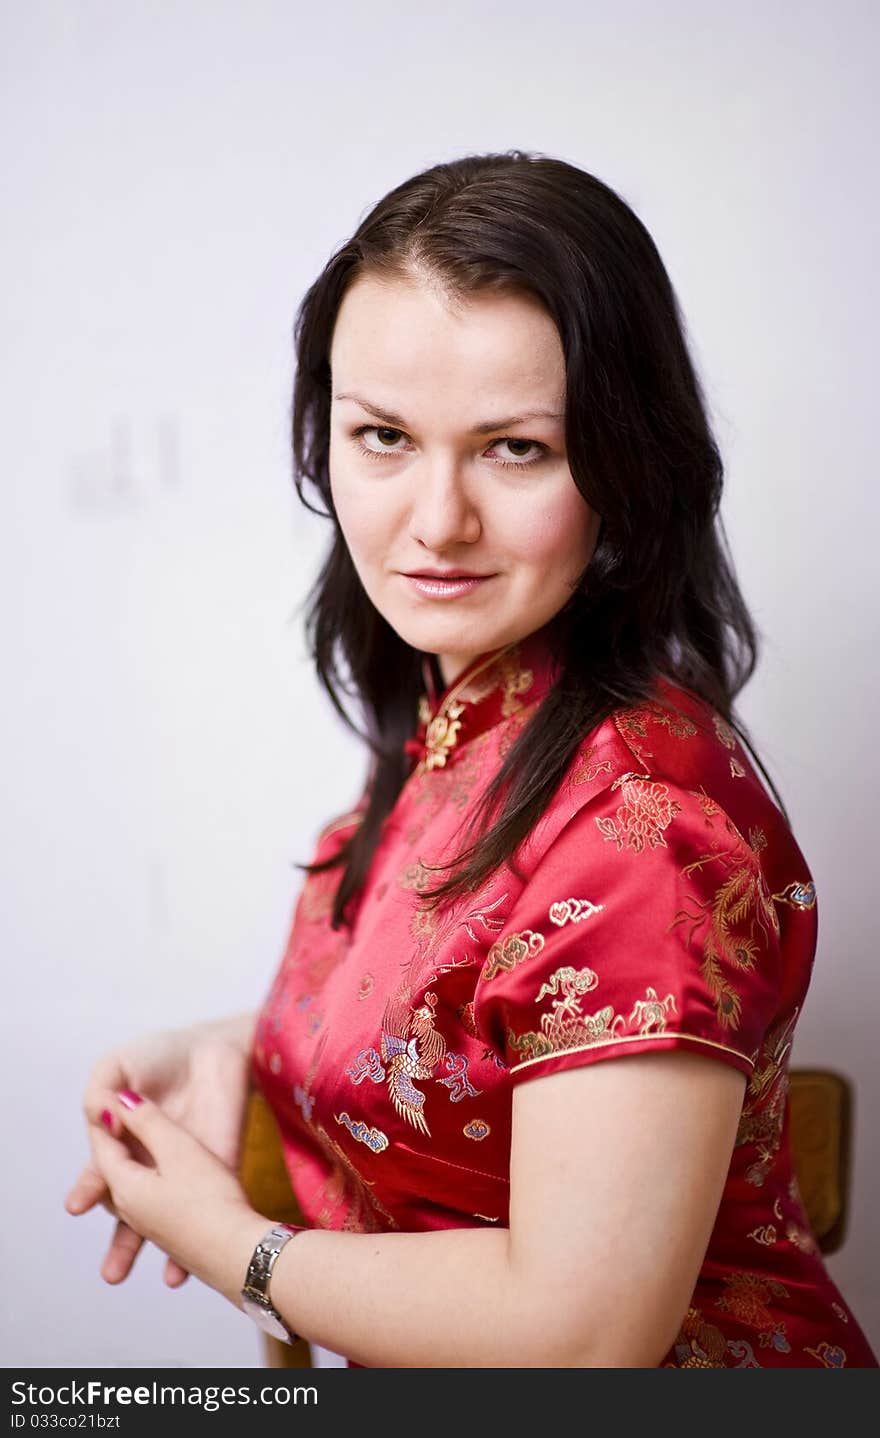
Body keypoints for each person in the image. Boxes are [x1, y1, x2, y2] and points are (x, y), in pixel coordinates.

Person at [65, 150, 878, 1369]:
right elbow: (472, 1010)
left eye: (514, 449)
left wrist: (237, 1245)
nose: (436, 521)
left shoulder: (642, 823)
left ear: (622, 461)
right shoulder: (471, 713)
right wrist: (243, 1048)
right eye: (383, 436)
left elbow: (585, 1338)